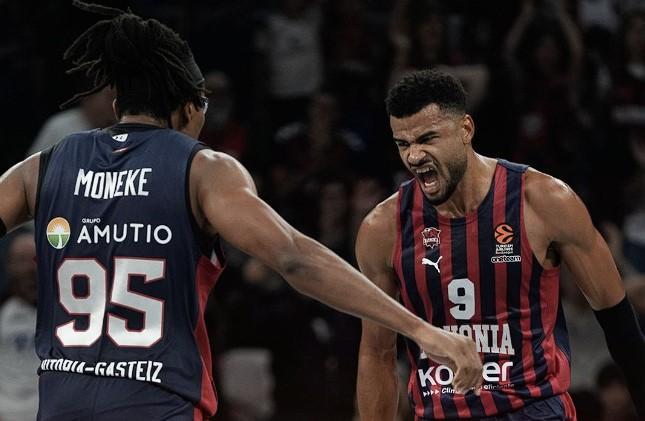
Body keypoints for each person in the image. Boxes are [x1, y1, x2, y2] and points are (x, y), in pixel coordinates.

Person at [0, 3, 483, 420]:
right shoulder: (200, 168)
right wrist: (419, 329)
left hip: (60, 406)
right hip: (155, 405)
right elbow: (293, 257)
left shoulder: (44, 166)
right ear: (188, 107)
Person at [356, 69, 645, 420]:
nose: (414, 156)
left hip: (534, 410)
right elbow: (377, 354)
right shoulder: (383, 228)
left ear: (466, 129)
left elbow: (620, 325)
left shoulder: (544, 202)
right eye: (403, 144)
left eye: (427, 138)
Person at [0, 230, 39, 421]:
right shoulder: (3, 311)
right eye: (22, 260)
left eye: (34, 259)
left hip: (50, 410)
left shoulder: (66, 315)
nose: (29, 269)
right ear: (9, 265)